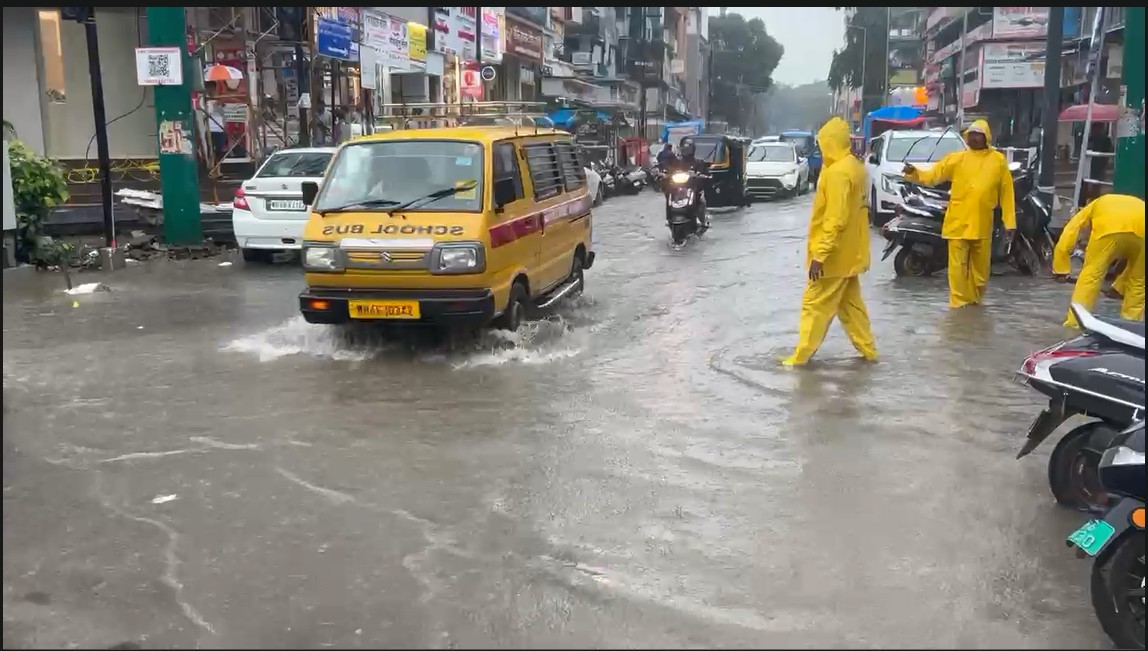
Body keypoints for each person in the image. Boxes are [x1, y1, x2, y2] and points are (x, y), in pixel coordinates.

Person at [782, 117, 878, 367]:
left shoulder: (837, 173)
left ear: (829, 142)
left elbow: (835, 219)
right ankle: (869, 354)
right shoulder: (854, 167)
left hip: (833, 258)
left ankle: (800, 359)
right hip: (851, 254)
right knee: (851, 309)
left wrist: (819, 256)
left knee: (814, 306)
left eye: (823, 142)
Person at [902, 120, 1015, 309]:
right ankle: (958, 304)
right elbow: (933, 175)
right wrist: (913, 172)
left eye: (978, 134)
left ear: (986, 137)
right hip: (958, 221)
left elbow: (1007, 193)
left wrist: (1009, 223)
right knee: (957, 268)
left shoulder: (998, 161)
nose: (974, 137)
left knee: (980, 270)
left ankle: (975, 299)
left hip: (982, 223)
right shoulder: (956, 159)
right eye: (971, 134)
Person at [1052, 193, 1144, 327]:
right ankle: (1131, 326)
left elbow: (1070, 231)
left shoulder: (1093, 205)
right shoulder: (1137, 203)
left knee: (1090, 276)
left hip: (1108, 231)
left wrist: (1060, 268)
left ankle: (1075, 323)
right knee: (1139, 283)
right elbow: (1132, 267)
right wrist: (1118, 288)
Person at [669, 139, 711, 230]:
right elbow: (668, 169)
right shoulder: (677, 162)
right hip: (678, 189)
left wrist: (702, 175)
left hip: (694, 189)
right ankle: (669, 218)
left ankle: (702, 221)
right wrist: (662, 173)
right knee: (668, 197)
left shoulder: (698, 162)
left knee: (701, 201)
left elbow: (706, 174)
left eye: (688, 149)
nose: (686, 151)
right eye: (684, 149)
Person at [1081, 123, 1114, 206]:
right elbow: (1110, 150)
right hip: (1096, 165)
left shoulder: (1091, 138)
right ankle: (1091, 201)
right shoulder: (1102, 139)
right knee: (1093, 184)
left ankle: (1088, 202)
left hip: (1095, 164)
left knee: (1092, 184)